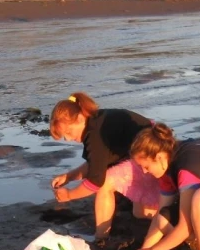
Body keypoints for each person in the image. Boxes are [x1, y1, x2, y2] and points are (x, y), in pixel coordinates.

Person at [49, 92, 160, 239]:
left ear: (80, 118)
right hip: (151, 143)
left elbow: (95, 181)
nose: (69, 138)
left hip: (152, 156)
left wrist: (70, 195)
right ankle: (164, 211)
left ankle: (101, 236)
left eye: (69, 132)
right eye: (65, 136)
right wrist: (69, 177)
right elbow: (96, 165)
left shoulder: (95, 136)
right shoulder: (97, 121)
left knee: (106, 184)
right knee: (139, 213)